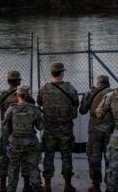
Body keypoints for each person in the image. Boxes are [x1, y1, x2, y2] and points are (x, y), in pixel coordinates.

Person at [37, 62, 79, 192]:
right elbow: (76, 102)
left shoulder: (44, 88)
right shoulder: (69, 88)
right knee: (66, 156)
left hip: (49, 128)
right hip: (65, 128)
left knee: (48, 155)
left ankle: (47, 184)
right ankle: (67, 184)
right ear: (61, 73)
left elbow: (39, 102)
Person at [0, 71, 34, 192]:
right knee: (25, 156)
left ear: (8, 81)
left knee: (4, 156)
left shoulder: (0, 95)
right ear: (19, 82)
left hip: (6, 129)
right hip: (23, 130)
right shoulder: (26, 96)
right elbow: (32, 104)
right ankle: (27, 185)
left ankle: (2, 184)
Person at [3, 85, 44, 192]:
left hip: (15, 143)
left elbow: (6, 129)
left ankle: (11, 189)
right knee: (33, 167)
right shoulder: (34, 110)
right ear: (27, 95)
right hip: (31, 143)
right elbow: (40, 126)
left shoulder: (11, 109)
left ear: (17, 95)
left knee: (13, 168)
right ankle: (37, 188)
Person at [79, 75, 114, 192]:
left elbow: (82, 110)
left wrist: (86, 96)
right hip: (110, 131)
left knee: (94, 157)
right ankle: (110, 186)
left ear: (98, 83)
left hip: (95, 131)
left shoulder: (90, 92)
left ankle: (96, 185)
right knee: (110, 158)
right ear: (108, 83)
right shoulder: (114, 93)